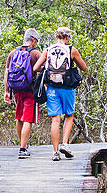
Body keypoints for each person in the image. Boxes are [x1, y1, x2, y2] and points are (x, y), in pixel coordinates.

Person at [32, 26, 88, 161]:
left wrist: (46, 67)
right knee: (69, 115)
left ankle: (55, 152)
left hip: (51, 88)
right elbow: (84, 68)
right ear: (67, 37)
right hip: (67, 88)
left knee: (55, 119)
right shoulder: (71, 50)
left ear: (56, 37)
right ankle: (65, 144)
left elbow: (35, 68)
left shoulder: (48, 50)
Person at [3, 28, 42, 159]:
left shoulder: (13, 52)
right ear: (33, 40)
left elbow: (7, 73)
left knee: (19, 117)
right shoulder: (35, 53)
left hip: (16, 90)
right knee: (28, 119)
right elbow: (44, 67)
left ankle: (22, 143)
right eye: (36, 41)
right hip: (30, 90)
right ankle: (23, 148)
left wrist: (6, 91)